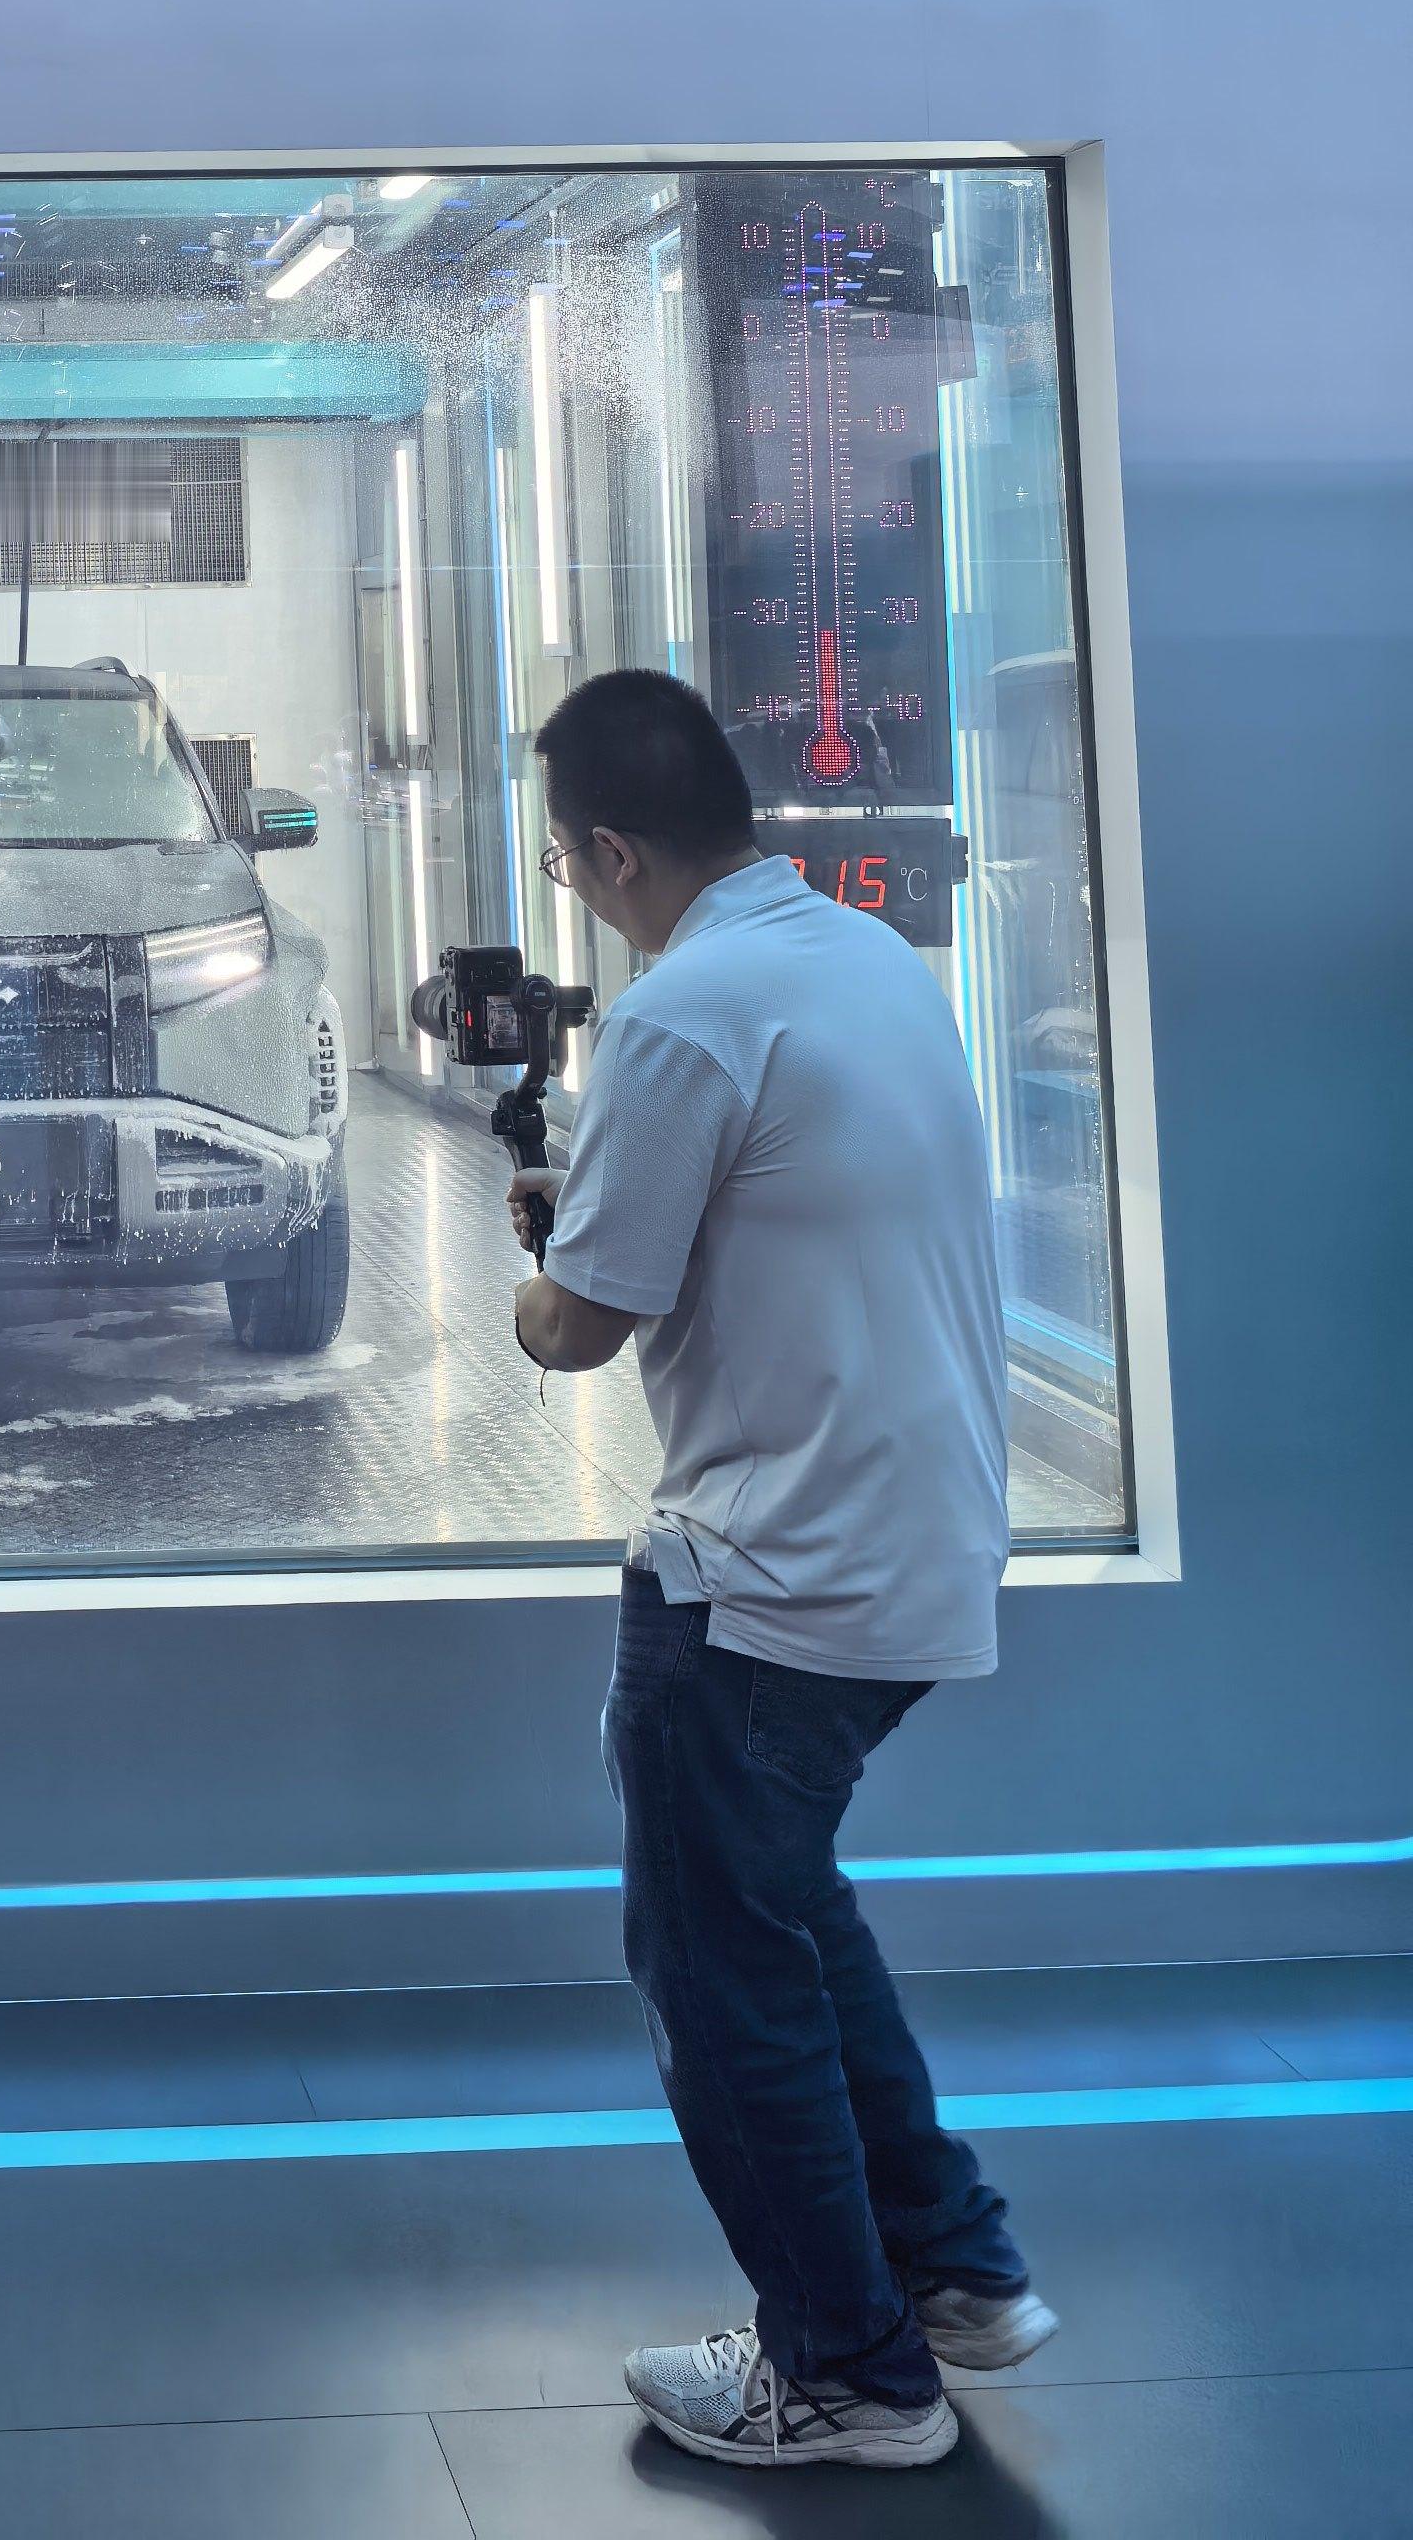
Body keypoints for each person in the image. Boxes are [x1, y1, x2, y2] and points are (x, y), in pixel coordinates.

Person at [509, 667, 1050, 2476]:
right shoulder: (865, 959)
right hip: (916, 1543)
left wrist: (540, 1259)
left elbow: (580, 1325)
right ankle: (952, 2269)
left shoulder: (684, 1015)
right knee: (789, 1912)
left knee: (722, 1983)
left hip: (764, 1581)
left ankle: (848, 2374)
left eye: (568, 860)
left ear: (609, 851)